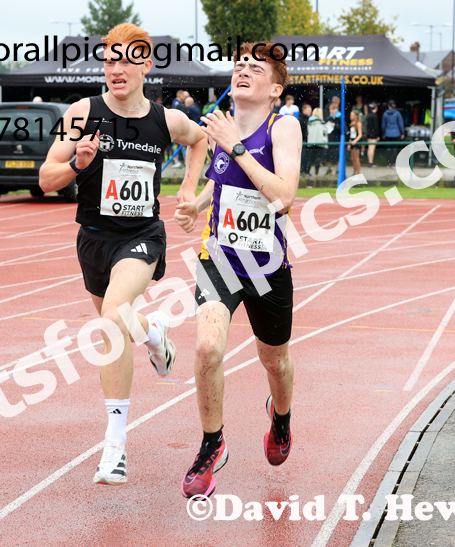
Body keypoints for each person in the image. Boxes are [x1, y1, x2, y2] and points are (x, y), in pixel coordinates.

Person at [38, 23, 207, 487]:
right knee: (118, 329)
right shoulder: (82, 113)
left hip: (142, 238)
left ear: (145, 66)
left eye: (127, 60)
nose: (116, 68)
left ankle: (114, 446)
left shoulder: (166, 119)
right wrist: (78, 163)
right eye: (109, 60)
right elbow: (46, 178)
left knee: (111, 318)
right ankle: (154, 333)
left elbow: (200, 141)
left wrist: (189, 189)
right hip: (93, 240)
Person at [174, 41, 301, 499]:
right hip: (221, 259)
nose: (243, 69)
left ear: (275, 87)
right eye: (239, 64)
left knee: (275, 361)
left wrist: (238, 145)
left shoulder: (283, 127)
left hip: (267, 266)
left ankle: (280, 418)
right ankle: (212, 444)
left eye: (255, 66)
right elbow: (221, 175)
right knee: (208, 348)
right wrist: (197, 206)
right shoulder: (221, 129)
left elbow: (283, 196)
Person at [306, 107, 329, 185]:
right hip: (320, 144)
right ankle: (316, 174)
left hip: (311, 143)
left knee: (309, 159)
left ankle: (307, 174)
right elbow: (324, 134)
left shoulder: (309, 122)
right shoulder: (322, 123)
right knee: (317, 160)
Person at [381, 99, 404, 168]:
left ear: (388, 105)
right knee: (394, 149)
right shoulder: (397, 113)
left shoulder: (385, 114)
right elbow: (400, 124)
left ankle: (388, 163)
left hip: (387, 133)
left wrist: (383, 133)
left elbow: (383, 125)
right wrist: (402, 132)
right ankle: (394, 163)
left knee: (388, 149)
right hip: (396, 134)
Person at [324, 102, 342, 176]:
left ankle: (338, 170)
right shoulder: (328, 118)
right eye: (330, 109)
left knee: (337, 155)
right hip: (329, 139)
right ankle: (329, 169)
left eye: (333, 109)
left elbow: (343, 128)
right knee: (329, 155)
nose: (331, 110)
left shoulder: (340, 117)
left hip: (337, 139)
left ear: (337, 109)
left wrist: (336, 126)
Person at [298, 103, 312, 179]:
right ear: (304, 110)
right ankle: (301, 171)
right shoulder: (301, 120)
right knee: (303, 157)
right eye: (309, 110)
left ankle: (305, 171)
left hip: (306, 142)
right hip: (303, 142)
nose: (310, 112)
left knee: (307, 157)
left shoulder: (308, 120)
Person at [347, 110, 363, 176]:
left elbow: (360, 134)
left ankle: (358, 173)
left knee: (356, 158)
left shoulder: (358, 123)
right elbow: (351, 134)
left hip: (356, 142)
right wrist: (349, 143)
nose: (350, 116)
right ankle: (354, 172)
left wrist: (355, 141)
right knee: (352, 158)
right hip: (352, 141)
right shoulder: (352, 123)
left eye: (352, 115)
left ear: (356, 116)